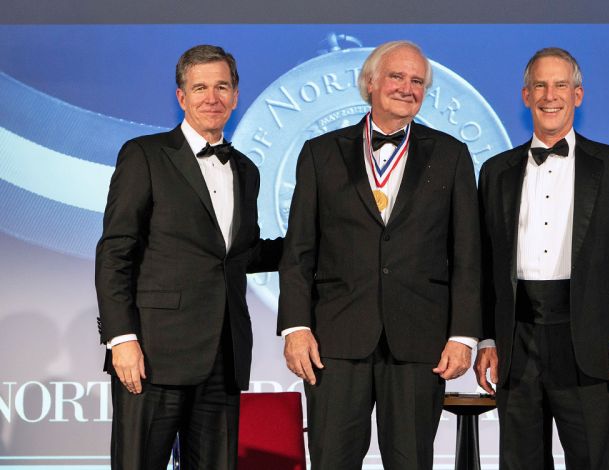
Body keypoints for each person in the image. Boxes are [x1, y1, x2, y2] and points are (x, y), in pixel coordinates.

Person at [278, 40, 482, 470]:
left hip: (418, 342)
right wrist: (296, 327)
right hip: (333, 342)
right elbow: (299, 251)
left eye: (417, 81)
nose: (407, 88)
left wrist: (463, 336)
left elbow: (467, 254)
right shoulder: (320, 153)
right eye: (396, 76)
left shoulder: (451, 156)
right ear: (370, 82)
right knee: (332, 460)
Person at [95, 44, 282, 470]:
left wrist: (314, 243)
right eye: (200, 87)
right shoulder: (145, 155)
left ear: (235, 95)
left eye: (222, 86)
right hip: (152, 357)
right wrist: (121, 340)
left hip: (223, 355)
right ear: (182, 97)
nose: (211, 98)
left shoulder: (246, 171)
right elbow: (114, 251)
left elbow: (240, 255)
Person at [473, 47, 609, 469]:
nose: (550, 95)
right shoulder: (495, 171)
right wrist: (487, 337)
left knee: (594, 460)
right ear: (525, 95)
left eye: (560, 85)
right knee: (520, 461)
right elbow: (484, 262)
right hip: (517, 341)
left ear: (578, 95)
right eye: (540, 85)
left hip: (588, 340)